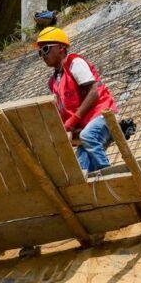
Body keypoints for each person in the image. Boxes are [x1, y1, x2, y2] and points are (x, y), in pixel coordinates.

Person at [35, 26, 118, 174]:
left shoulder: (74, 63)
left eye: (46, 49)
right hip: (85, 125)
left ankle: (108, 173)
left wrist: (74, 119)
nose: (43, 55)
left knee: (88, 136)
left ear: (61, 47)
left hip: (103, 115)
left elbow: (94, 92)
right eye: (40, 52)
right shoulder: (53, 82)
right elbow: (63, 110)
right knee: (82, 165)